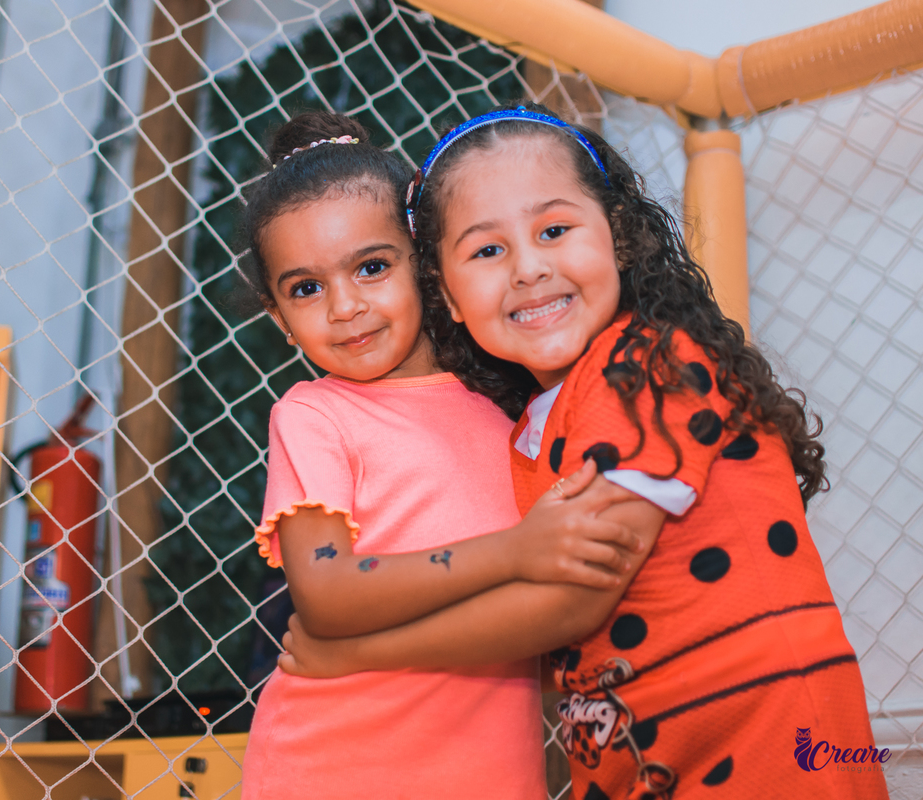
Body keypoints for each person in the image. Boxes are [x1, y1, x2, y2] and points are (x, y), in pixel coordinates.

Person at [280, 103, 890, 799]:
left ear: (619, 237)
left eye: (554, 230)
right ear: (447, 294)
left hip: (760, 745)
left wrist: (360, 653)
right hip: (646, 757)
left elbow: (575, 599)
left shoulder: (648, 365)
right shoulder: (530, 427)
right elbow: (558, 641)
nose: (528, 268)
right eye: (487, 251)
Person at [238, 110, 645, 799]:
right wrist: (515, 552)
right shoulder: (315, 415)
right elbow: (328, 595)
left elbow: (546, 616)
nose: (344, 307)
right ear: (279, 318)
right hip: (331, 773)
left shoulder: (514, 409)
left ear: (428, 269)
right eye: (307, 288)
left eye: (372, 267)